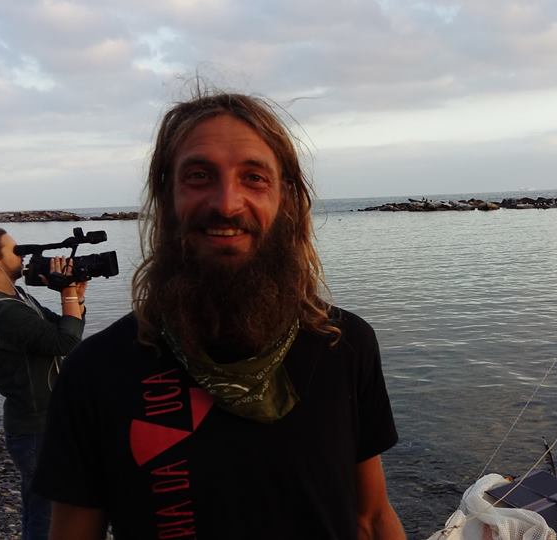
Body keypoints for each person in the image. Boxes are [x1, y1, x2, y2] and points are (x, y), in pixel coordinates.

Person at [32, 90, 405, 539]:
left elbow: (372, 518)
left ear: (286, 198)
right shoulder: (95, 373)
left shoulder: (344, 346)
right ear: (166, 197)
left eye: (254, 178)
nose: (227, 203)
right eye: (199, 176)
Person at [0, 227, 88, 540]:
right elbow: (66, 342)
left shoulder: (16, 298)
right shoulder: (1, 310)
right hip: (35, 426)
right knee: (49, 514)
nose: (24, 255)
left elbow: (64, 327)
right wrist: (67, 293)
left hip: (39, 421)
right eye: (15, 250)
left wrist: (75, 296)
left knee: (40, 506)